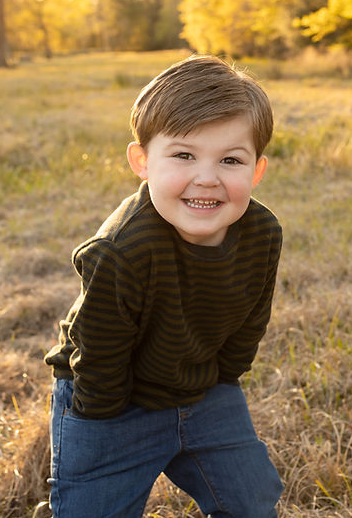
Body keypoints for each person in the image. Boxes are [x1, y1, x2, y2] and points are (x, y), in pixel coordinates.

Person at [44, 55, 284, 517]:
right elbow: (100, 354)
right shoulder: (121, 250)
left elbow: (250, 320)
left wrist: (221, 381)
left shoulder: (263, 232)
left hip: (202, 389)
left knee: (253, 503)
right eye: (183, 155)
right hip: (111, 400)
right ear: (142, 162)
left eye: (230, 160)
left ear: (256, 171)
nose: (207, 177)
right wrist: (106, 429)